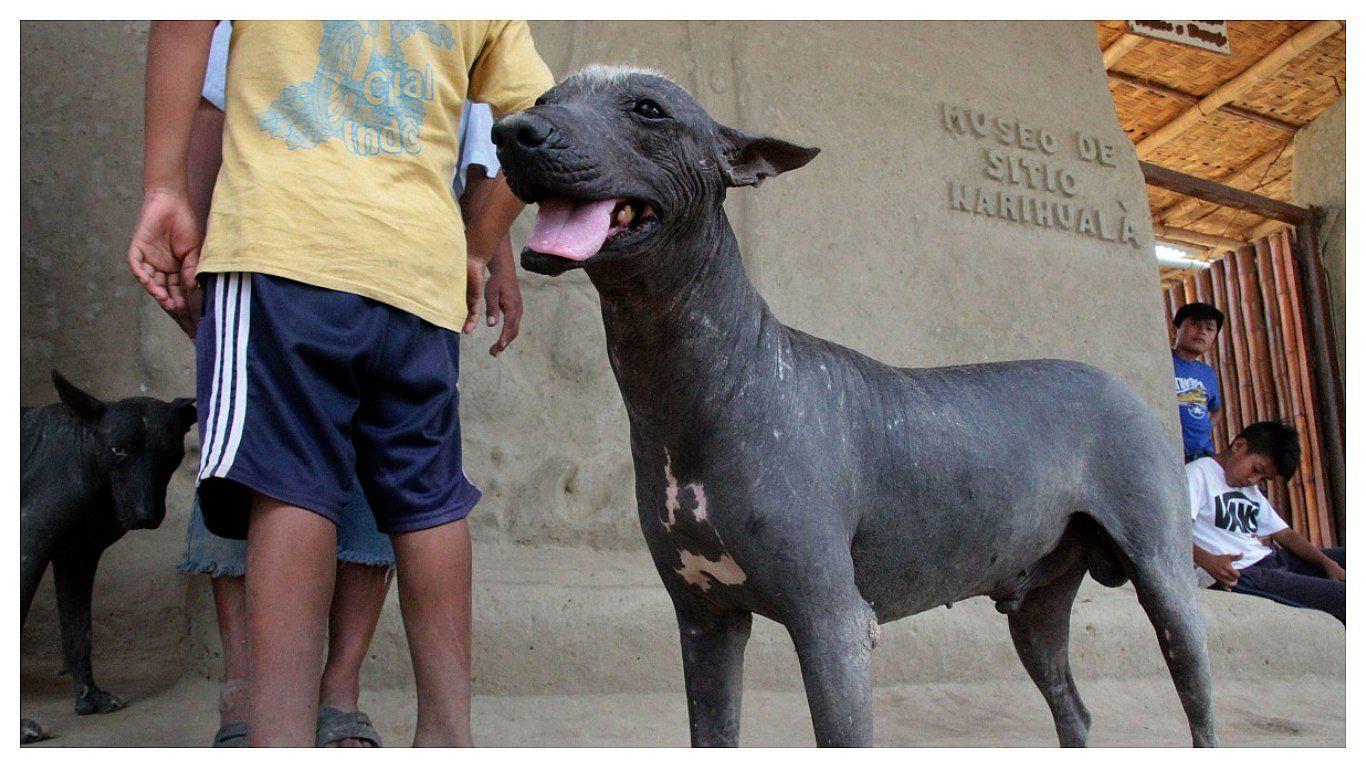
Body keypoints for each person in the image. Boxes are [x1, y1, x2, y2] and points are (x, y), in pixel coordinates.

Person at [128, 21, 553, 746]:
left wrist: (166, 187)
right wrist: (476, 245)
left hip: (284, 252)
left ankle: (281, 741)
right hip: (417, 273)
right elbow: (542, 121)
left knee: (289, 489)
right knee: (428, 499)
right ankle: (449, 739)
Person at [1189, 421, 1345, 624]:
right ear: (1238, 446)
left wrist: (1326, 562)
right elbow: (1174, 531)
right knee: (1344, 598)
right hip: (1241, 574)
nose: (1254, 481)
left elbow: (1285, 535)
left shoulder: (1249, 490)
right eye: (1256, 469)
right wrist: (1207, 561)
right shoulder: (1198, 473)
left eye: (1262, 478)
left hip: (1270, 560)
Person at [1171, 302, 1225, 463]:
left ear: (1214, 340)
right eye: (1195, 324)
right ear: (1175, 328)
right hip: (1171, 453)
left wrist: (1206, 427)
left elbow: (1216, 410)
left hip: (1202, 454)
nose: (1202, 331)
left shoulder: (1207, 373)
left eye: (1209, 328)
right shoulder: (1162, 362)